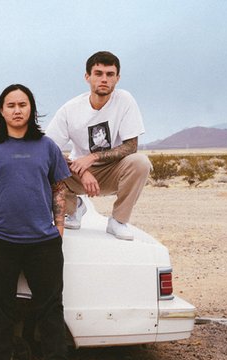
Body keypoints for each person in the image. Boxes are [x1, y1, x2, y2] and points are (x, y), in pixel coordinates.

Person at [0, 84, 81, 360]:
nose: (17, 110)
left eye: (23, 104)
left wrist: (58, 226)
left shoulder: (47, 147)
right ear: (1, 111)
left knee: (50, 306)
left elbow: (59, 187)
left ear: (31, 109)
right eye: (10, 105)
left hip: (42, 241)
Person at [46, 51, 151, 241]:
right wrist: (82, 171)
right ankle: (74, 208)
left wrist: (93, 157)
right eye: (98, 73)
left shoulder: (125, 100)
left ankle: (118, 221)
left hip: (114, 169)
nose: (104, 79)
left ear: (117, 78)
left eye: (110, 74)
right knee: (43, 165)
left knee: (140, 162)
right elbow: (46, 149)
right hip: (78, 173)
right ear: (87, 77)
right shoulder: (70, 109)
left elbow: (131, 147)